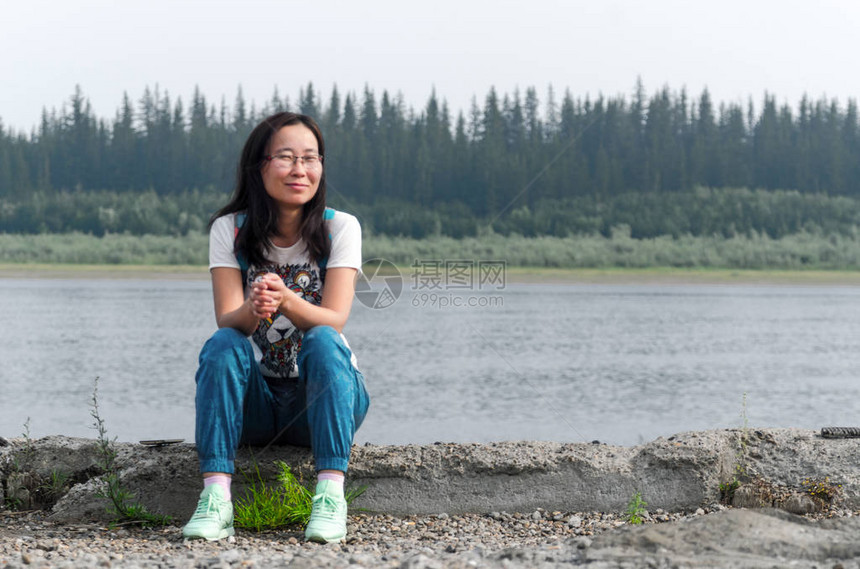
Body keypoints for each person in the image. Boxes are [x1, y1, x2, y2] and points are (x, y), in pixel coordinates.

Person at [181, 112, 370, 543]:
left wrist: (288, 299)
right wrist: (254, 307)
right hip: (258, 406)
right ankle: (216, 500)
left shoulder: (340, 227)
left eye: (310, 158)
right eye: (286, 157)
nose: (300, 170)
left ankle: (329, 498)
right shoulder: (229, 230)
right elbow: (228, 318)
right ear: (259, 166)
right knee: (224, 343)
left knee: (323, 338)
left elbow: (335, 317)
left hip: (323, 400)